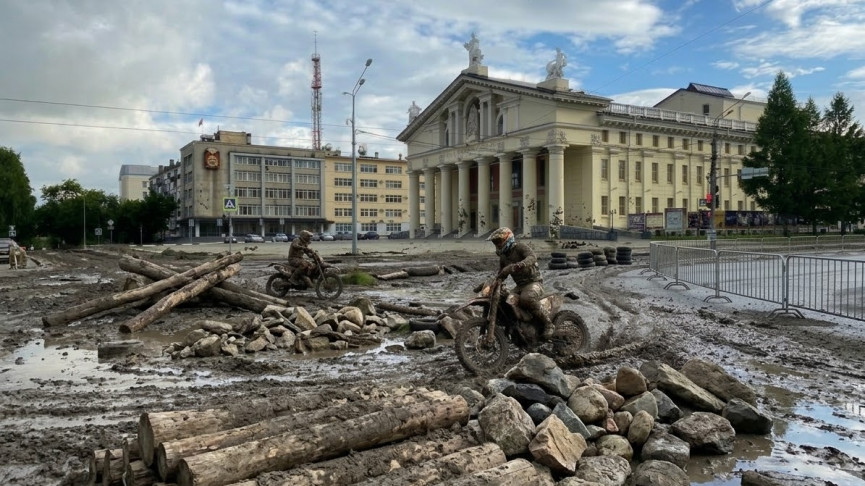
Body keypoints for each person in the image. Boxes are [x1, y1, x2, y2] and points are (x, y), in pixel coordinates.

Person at [487, 227, 554, 340]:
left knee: (526, 298)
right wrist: (495, 282)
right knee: (507, 301)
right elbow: (502, 273)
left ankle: (548, 324)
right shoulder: (504, 257)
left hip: (534, 282)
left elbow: (532, 257)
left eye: (499, 241)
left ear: (507, 238)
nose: (497, 245)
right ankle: (517, 328)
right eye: (495, 243)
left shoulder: (519, 247)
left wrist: (521, 264)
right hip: (520, 286)